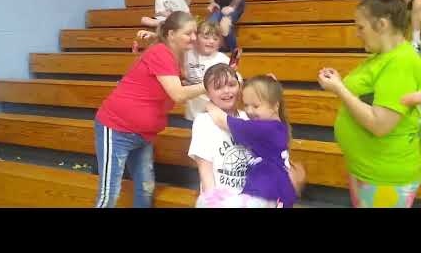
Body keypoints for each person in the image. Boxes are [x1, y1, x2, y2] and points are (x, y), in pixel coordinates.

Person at [318, 0, 421, 208]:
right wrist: (339, 83)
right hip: (368, 169)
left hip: (384, 176)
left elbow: (380, 124)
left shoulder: (400, 62)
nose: (357, 33)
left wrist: (340, 89)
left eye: (361, 27)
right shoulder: (382, 57)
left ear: (382, 25)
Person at [94, 11, 205, 208]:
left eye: (195, 32)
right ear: (171, 35)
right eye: (188, 33)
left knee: (146, 187)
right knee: (109, 193)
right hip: (116, 128)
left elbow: (202, 42)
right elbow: (178, 95)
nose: (194, 37)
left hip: (143, 134)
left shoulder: (174, 54)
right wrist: (210, 85)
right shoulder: (160, 52)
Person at [188, 64, 305, 208]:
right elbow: (205, 171)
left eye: (231, 84)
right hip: (223, 201)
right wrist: (211, 200)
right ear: (208, 93)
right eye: (218, 87)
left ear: (240, 86)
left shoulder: (251, 117)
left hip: (256, 197)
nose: (226, 91)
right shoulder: (204, 121)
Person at [137, 20, 241, 121]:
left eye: (215, 38)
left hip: (214, 114)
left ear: (220, 42)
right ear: (195, 38)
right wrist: (153, 36)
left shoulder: (223, 60)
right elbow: (173, 41)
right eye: (206, 37)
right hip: (192, 114)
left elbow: (238, 81)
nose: (211, 41)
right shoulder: (187, 53)